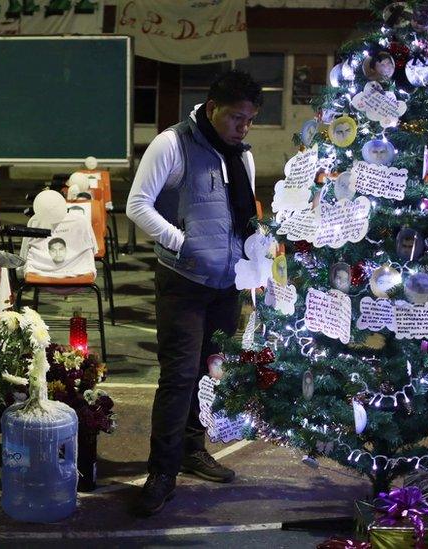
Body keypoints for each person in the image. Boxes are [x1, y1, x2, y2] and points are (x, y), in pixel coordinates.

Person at [126, 69, 261, 516]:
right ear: (212, 107)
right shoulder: (172, 143)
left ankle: (191, 449)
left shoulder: (242, 154)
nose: (244, 127)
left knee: (208, 375)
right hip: (183, 282)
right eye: (237, 118)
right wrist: (181, 241)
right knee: (179, 376)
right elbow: (137, 205)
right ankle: (161, 472)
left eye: (249, 119)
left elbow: (243, 215)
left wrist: (255, 252)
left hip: (227, 284)